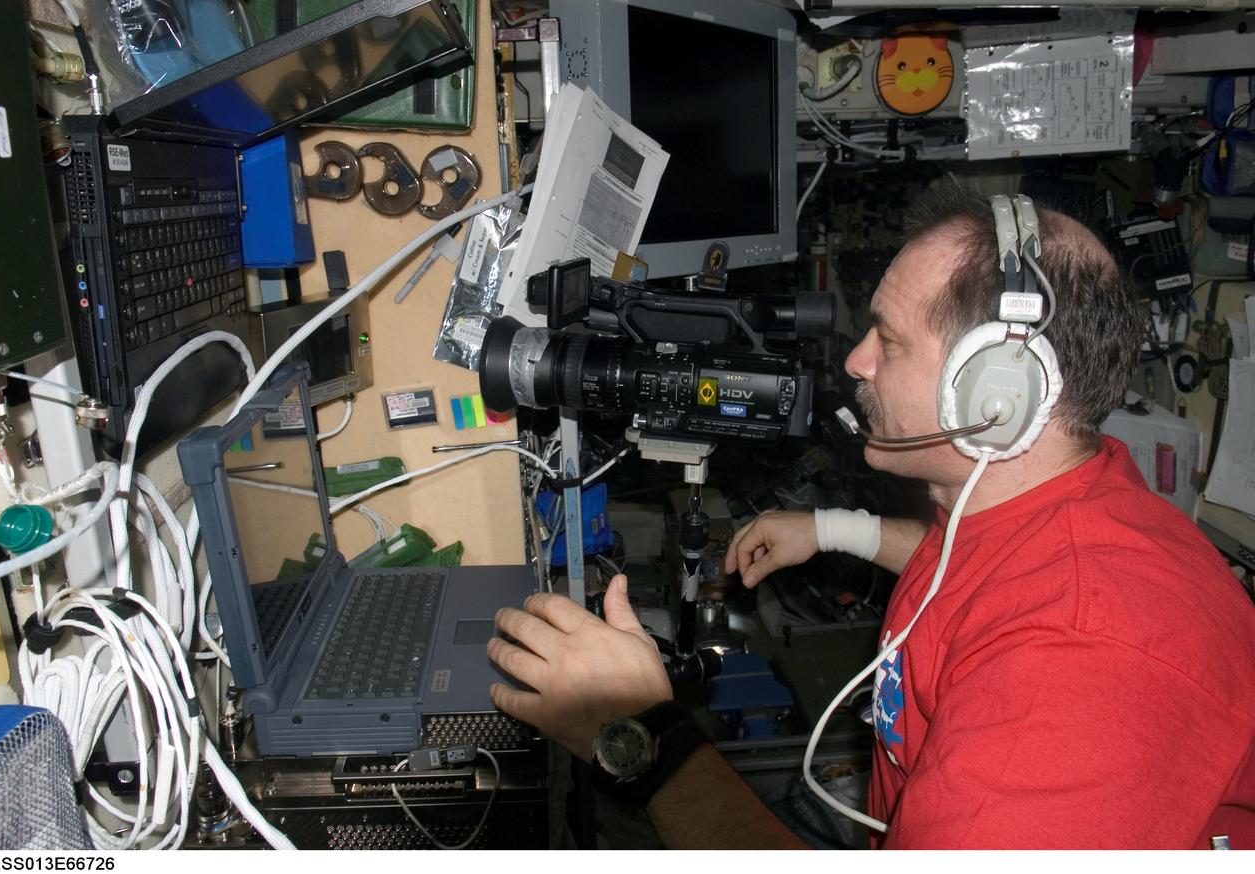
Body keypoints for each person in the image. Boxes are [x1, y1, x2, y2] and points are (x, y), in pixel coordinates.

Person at [485, 183, 1255, 849]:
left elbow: (1041, 622)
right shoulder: (1055, 506)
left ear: (999, 392)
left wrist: (641, 733)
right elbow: (984, 569)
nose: (857, 361)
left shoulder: (1084, 675)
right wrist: (833, 531)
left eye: (888, 340)